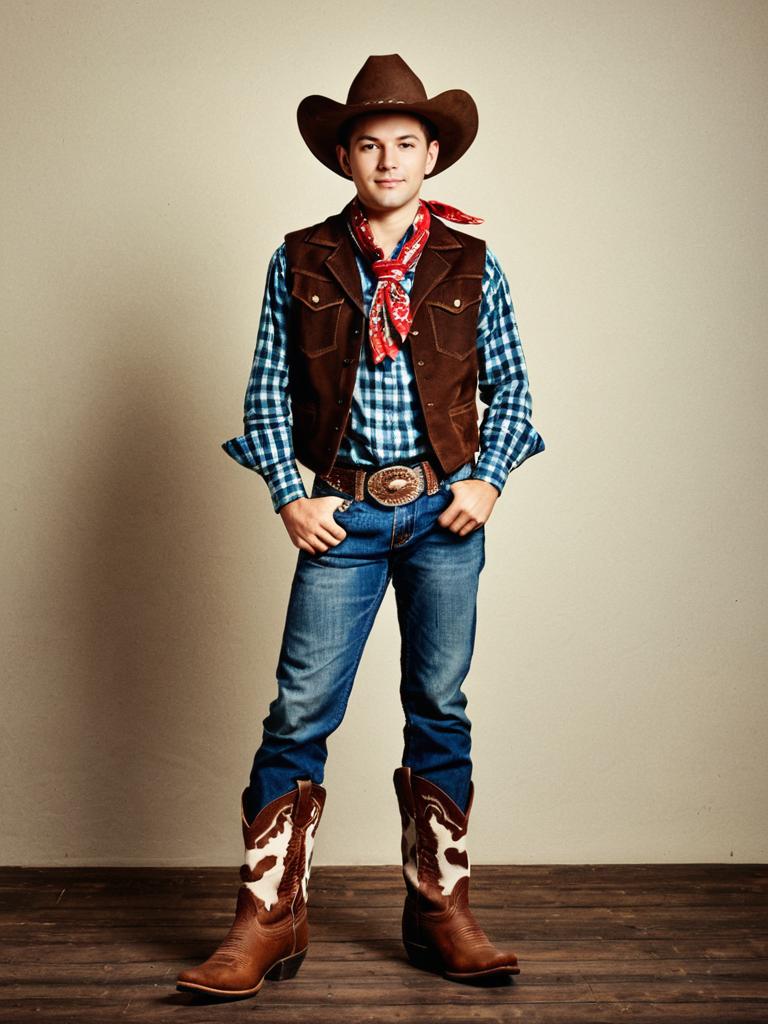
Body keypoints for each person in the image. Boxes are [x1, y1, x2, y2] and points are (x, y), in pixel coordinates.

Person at [176, 53, 545, 1000]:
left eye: (407, 144)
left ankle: (439, 911)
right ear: (345, 155)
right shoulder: (302, 257)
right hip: (342, 513)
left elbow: (511, 390)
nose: (389, 160)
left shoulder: (470, 261)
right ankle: (269, 917)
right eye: (371, 144)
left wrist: (489, 481)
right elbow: (264, 395)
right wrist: (289, 496)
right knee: (300, 711)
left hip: (444, 514)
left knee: (440, 706)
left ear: (433, 158)